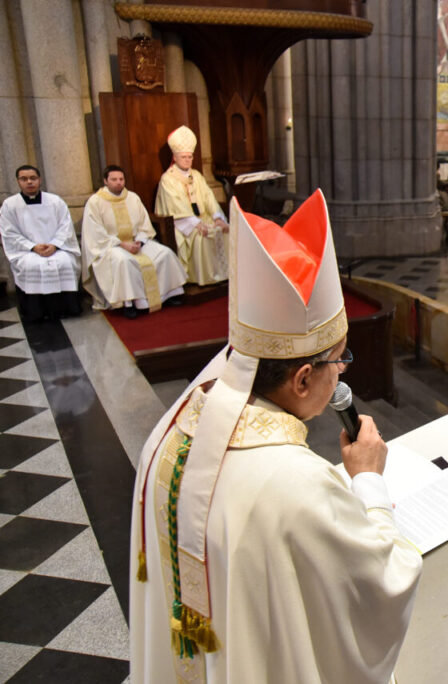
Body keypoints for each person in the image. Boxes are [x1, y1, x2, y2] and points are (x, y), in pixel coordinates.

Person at [130, 190, 422, 683]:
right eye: (340, 359)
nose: (343, 373)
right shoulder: (295, 483)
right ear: (303, 379)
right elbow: (381, 582)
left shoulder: (173, 427)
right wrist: (368, 481)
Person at [82, 165, 187, 318]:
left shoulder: (133, 197)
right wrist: (122, 244)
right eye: (114, 179)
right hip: (111, 245)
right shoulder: (95, 202)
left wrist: (139, 241)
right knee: (124, 262)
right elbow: (95, 233)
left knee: (165, 254)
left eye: (121, 179)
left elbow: (145, 225)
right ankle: (129, 303)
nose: (118, 182)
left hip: (136, 242)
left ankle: (168, 295)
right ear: (105, 181)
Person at [0, 164, 81, 322]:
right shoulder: (10, 205)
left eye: (33, 178)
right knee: (32, 265)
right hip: (27, 251)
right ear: (18, 182)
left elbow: (66, 226)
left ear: (39, 180)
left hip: (56, 248)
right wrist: (33, 247)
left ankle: (66, 309)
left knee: (64, 261)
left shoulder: (55, 201)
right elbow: (9, 232)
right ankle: (36, 313)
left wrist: (55, 245)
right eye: (24, 179)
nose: (29, 182)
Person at [155, 125, 229, 286]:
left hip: (203, 217)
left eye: (190, 157)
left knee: (223, 229)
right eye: (184, 157)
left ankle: (225, 274)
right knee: (203, 234)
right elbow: (176, 206)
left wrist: (217, 217)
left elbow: (209, 198)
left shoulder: (196, 175)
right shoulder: (168, 179)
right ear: (174, 157)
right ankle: (205, 278)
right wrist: (196, 224)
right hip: (182, 223)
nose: (188, 160)